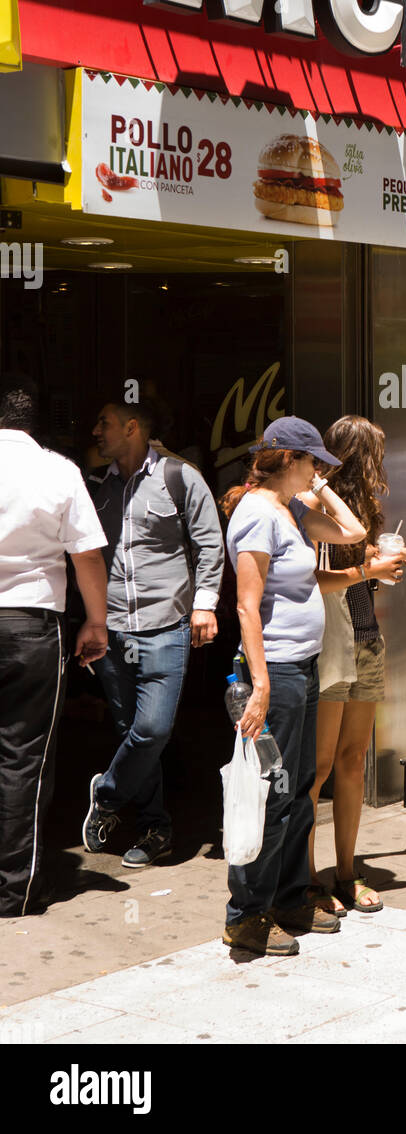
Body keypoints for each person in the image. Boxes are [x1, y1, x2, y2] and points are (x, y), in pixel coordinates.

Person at [219, 417, 379, 957]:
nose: (319, 471)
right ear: (288, 459)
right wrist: (260, 683)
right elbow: (246, 604)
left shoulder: (289, 511)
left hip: (303, 666)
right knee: (273, 790)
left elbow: (354, 533)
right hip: (278, 670)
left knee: (302, 783)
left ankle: (289, 898)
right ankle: (247, 915)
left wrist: (322, 490)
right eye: (312, 462)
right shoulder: (256, 514)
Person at [82, 400, 224, 868]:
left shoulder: (178, 477)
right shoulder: (98, 484)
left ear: (132, 427)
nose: (96, 432)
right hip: (112, 628)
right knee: (130, 731)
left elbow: (209, 543)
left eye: (105, 424)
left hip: (166, 626)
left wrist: (205, 605)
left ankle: (106, 795)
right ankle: (154, 828)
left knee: (153, 729)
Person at [0, 375, 108, 916]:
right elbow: (86, 555)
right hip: (30, 624)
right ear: (35, 427)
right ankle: (13, 888)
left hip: (31, 623)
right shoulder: (58, 469)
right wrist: (97, 622)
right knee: (24, 758)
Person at [305, 416, 406, 916]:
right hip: (330, 640)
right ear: (358, 456)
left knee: (354, 761)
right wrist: (369, 567)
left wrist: (389, 557)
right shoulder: (311, 504)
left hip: (367, 637)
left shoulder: (361, 507)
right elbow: (308, 579)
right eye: (375, 455)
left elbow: (361, 559)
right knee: (319, 767)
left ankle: (347, 871)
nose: (379, 468)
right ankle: (307, 879)